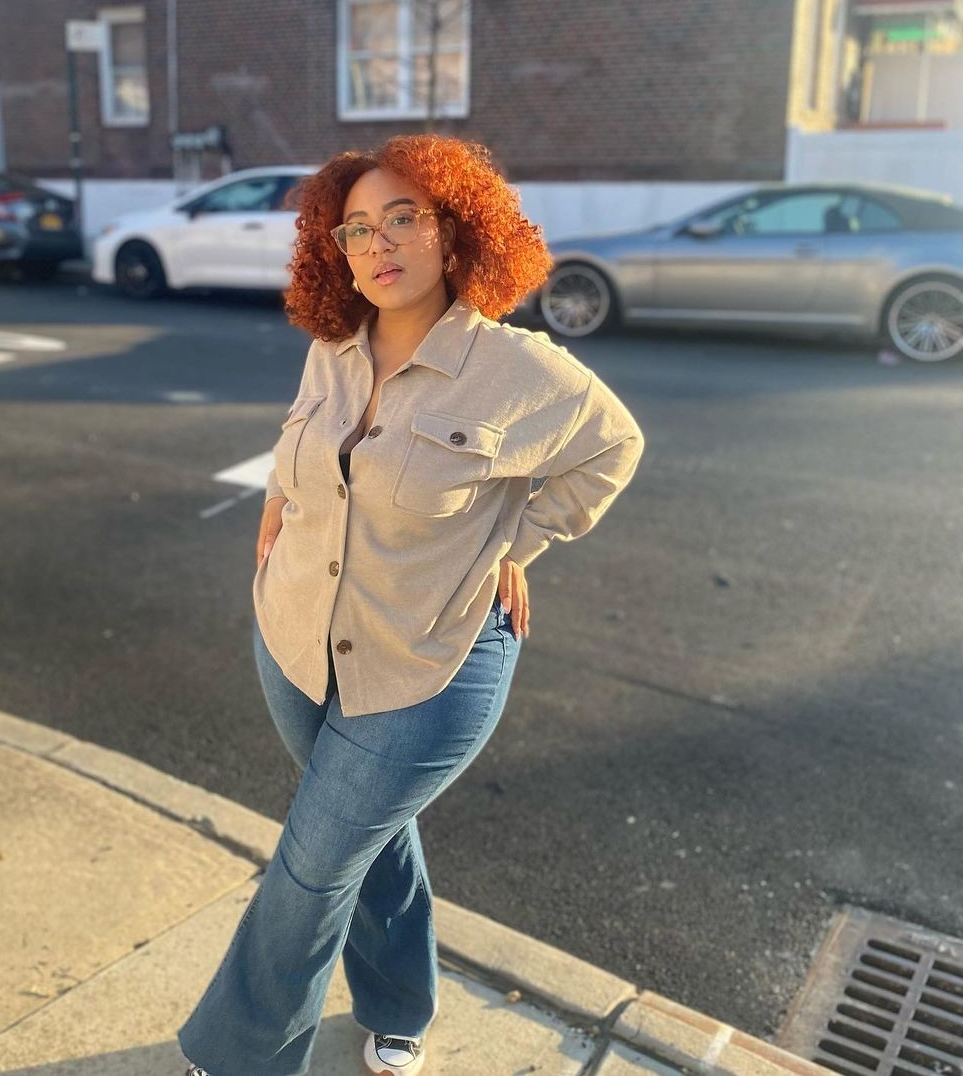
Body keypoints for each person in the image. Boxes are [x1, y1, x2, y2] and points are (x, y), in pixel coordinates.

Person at [177, 133, 645, 1076]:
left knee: (313, 866)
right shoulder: (332, 348)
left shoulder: (516, 368)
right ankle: (400, 1004)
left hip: (432, 660)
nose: (378, 243)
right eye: (355, 229)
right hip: (296, 638)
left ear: (456, 229)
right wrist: (279, 499)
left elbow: (613, 447)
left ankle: (238, 1057)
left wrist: (518, 541)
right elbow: (306, 445)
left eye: (403, 217)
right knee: (366, 837)